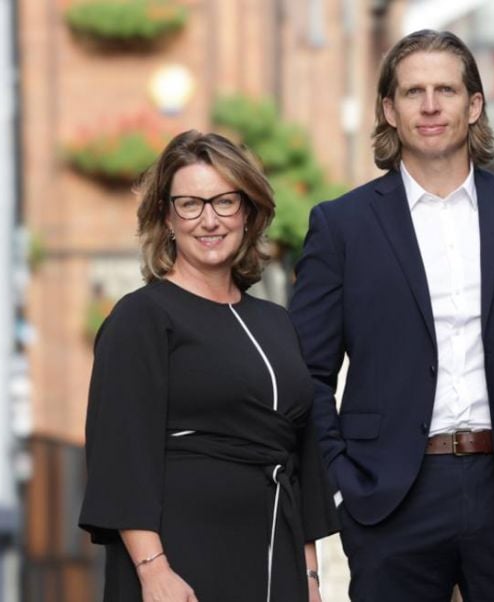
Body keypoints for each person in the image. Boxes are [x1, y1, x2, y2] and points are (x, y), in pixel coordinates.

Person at [289, 29, 494, 601]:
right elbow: (307, 372)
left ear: (474, 105)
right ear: (389, 111)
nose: (430, 105)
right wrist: (344, 483)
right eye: (413, 91)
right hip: (389, 496)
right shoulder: (341, 227)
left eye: (446, 89)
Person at [79, 130, 338, 602]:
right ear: (167, 217)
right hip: (182, 562)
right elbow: (120, 455)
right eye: (190, 205)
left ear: (248, 211)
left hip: (273, 558)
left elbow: (302, 461)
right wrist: (154, 572)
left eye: (223, 202)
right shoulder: (142, 317)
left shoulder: (277, 323)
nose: (209, 220)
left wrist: (310, 580)